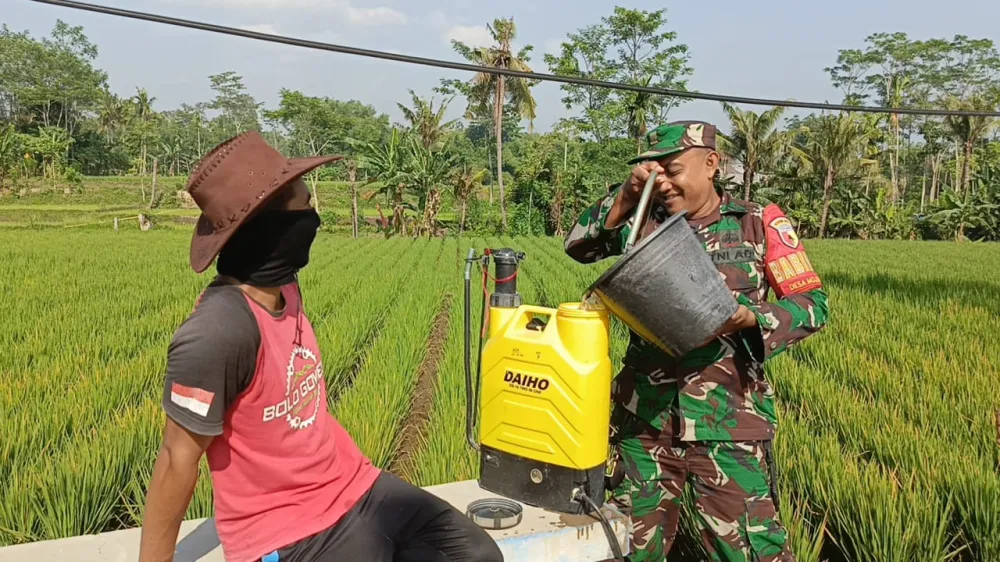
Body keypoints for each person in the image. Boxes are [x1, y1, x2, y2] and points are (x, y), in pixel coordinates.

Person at [138, 131, 503, 562]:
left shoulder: (284, 285)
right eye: (304, 203)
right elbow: (176, 460)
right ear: (267, 226)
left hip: (353, 484)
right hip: (283, 529)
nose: (313, 215)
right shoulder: (216, 333)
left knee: (477, 556)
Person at [564, 121, 829, 562]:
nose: (663, 183)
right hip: (645, 422)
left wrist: (752, 317)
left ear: (711, 164)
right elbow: (579, 246)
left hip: (729, 424)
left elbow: (814, 305)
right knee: (627, 546)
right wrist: (628, 196)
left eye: (673, 169)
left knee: (748, 549)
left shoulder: (757, 224)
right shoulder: (643, 223)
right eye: (655, 173)